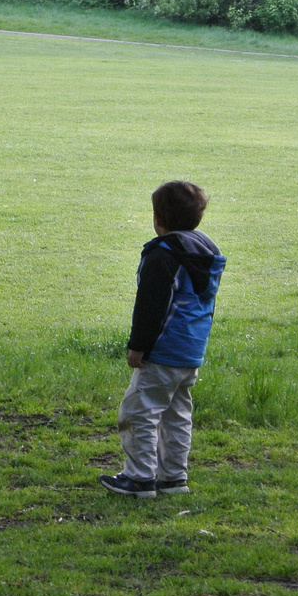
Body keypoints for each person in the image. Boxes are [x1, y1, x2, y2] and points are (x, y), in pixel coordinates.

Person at [100, 181, 226, 499]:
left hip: (163, 350)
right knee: (176, 414)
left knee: (139, 411)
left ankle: (140, 478)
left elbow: (152, 305)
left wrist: (138, 345)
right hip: (191, 349)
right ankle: (173, 477)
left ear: (158, 218)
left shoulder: (162, 256)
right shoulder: (207, 252)